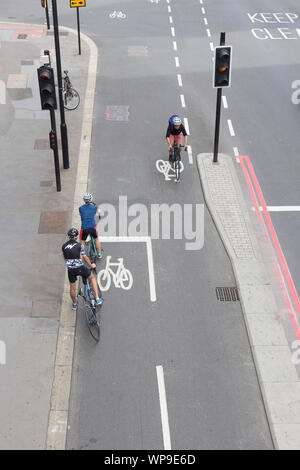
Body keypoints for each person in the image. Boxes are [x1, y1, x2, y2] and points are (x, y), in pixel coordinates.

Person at [62, 228, 103, 310]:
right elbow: (85, 258)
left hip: (71, 269)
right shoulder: (79, 246)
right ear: (76, 237)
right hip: (80, 267)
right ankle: (98, 299)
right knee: (92, 277)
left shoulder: (64, 246)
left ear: (68, 236)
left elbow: (65, 259)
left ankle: (74, 304)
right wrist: (91, 265)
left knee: (72, 287)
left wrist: (70, 266)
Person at [79, 193, 103, 259]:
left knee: (82, 243)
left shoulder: (80, 208)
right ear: (91, 199)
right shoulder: (94, 207)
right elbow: (98, 212)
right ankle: (99, 254)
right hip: (92, 226)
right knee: (96, 239)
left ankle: (80, 260)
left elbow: (80, 215)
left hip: (84, 227)